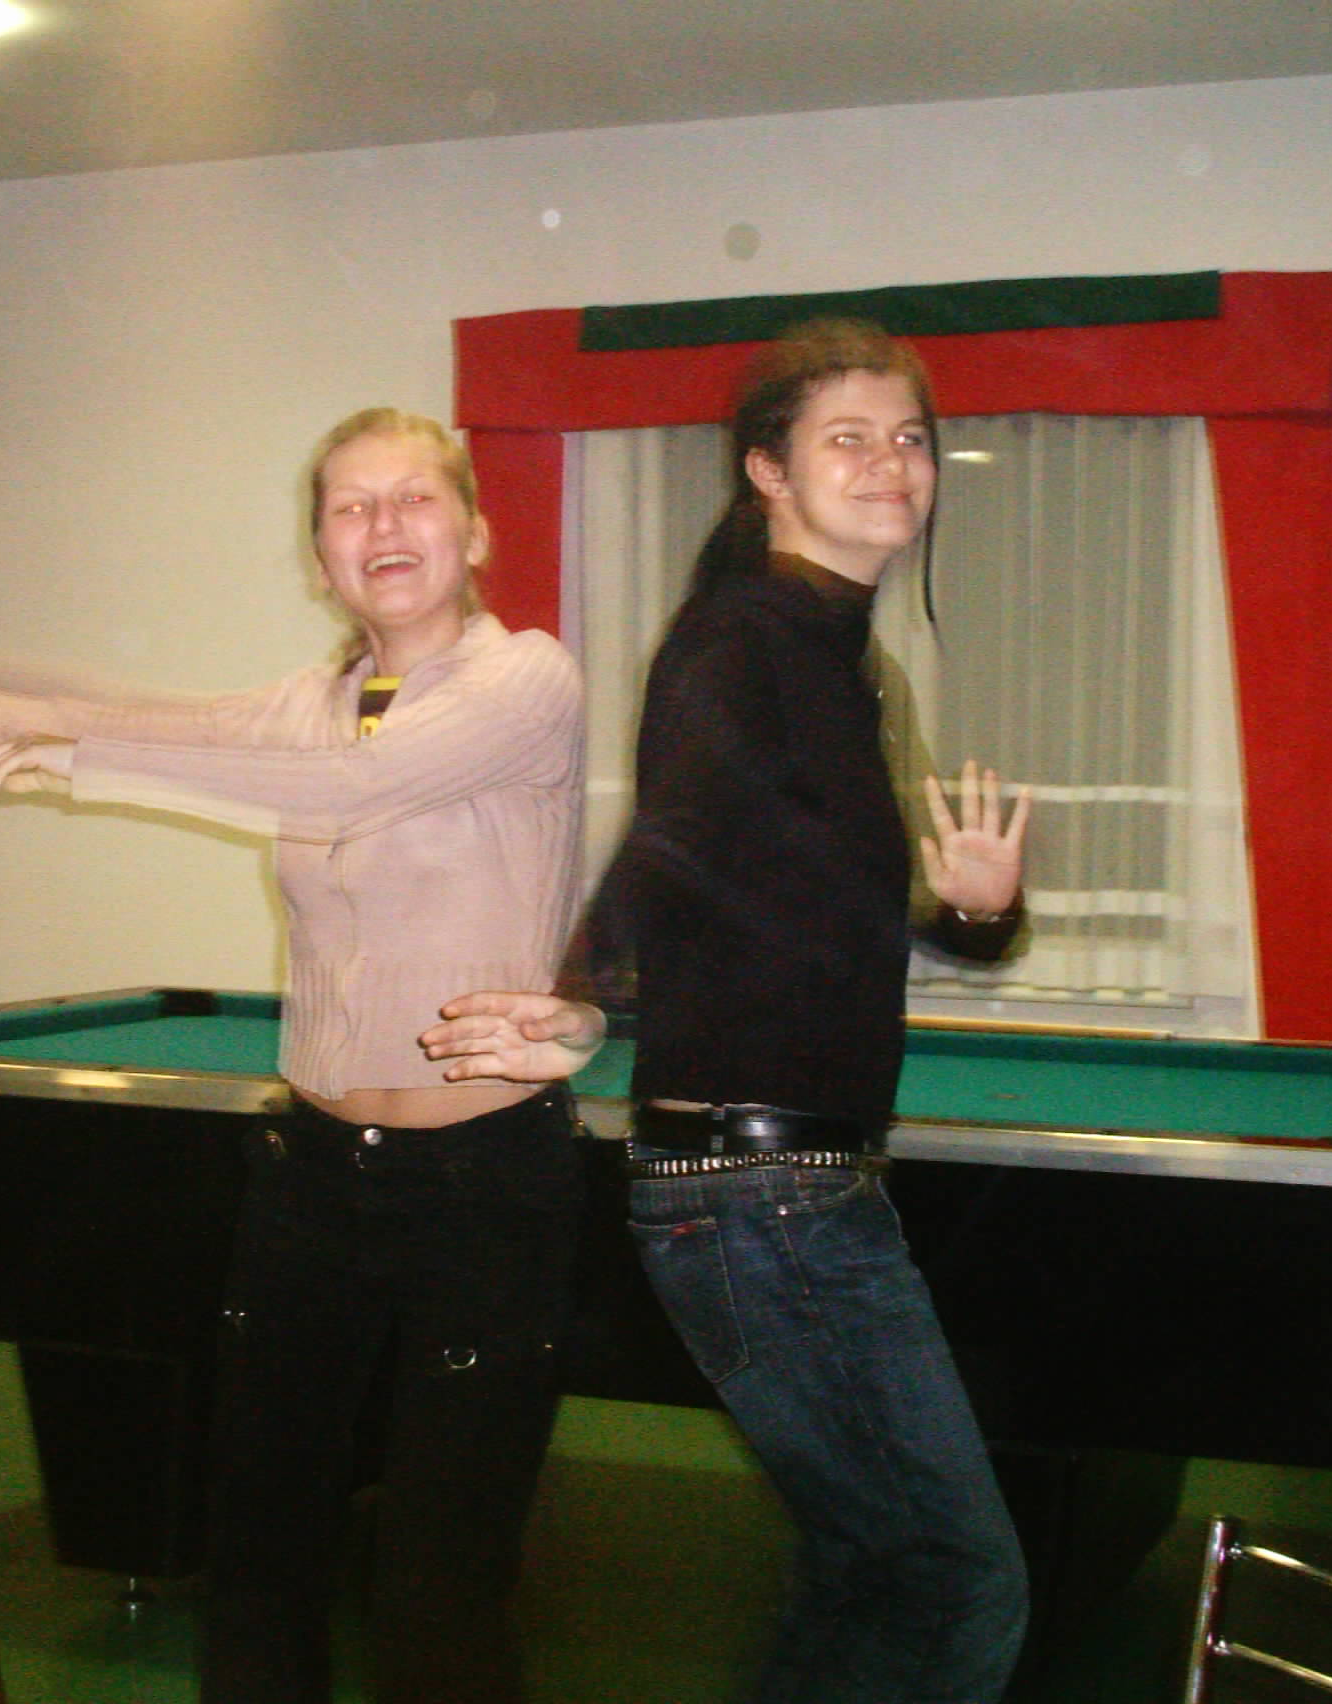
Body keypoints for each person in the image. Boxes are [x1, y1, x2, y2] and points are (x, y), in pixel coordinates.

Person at [0, 408, 587, 1704]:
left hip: (483, 1183)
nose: (382, 526)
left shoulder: (527, 681)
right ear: (320, 555)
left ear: (477, 531)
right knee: (257, 1551)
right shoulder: (311, 704)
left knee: (438, 1581)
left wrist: (82, 765)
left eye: (414, 499)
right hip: (313, 1172)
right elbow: (97, 704)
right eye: (350, 507)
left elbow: (347, 788)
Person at [422, 321, 1033, 1703]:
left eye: (910, 438)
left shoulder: (842, 662)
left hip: (778, 1188)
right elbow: (675, 844)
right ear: (768, 469)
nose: (892, 462)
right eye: (847, 438)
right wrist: (586, 1004)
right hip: (768, 1196)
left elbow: (833, 907)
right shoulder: (748, 634)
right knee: (959, 1579)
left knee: (867, 1567)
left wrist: (978, 911)